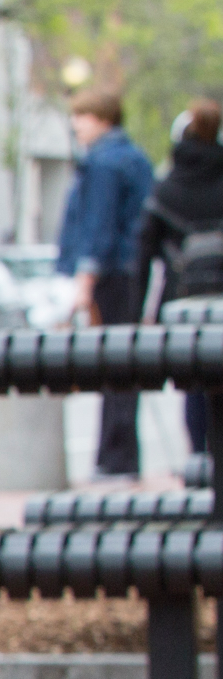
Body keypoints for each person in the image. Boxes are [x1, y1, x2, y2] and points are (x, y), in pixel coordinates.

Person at [61, 86, 159, 478]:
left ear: (102, 118)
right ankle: (117, 456)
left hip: (111, 273)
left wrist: (85, 278)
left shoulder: (103, 163)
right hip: (131, 270)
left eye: (81, 117)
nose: (76, 125)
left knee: (113, 364)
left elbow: (98, 224)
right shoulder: (134, 157)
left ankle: (115, 459)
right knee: (124, 364)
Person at [140, 99, 223, 458]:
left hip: (182, 301)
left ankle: (199, 466)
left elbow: (143, 254)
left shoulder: (166, 189)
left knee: (195, 384)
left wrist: (138, 313)